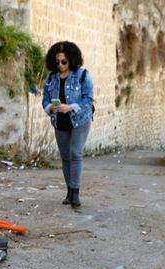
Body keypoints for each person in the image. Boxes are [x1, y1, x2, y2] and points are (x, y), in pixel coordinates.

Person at [42, 41, 94, 208]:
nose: (60, 65)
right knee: (65, 156)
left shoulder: (83, 75)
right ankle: (69, 192)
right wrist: (52, 108)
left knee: (75, 153)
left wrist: (70, 107)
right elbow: (45, 100)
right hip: (59, 121)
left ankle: (76, 192)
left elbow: (88, 99)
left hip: (80, 120)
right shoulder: (51, 78)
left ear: (71, 60)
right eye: (57, 61)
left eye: (64, 61)